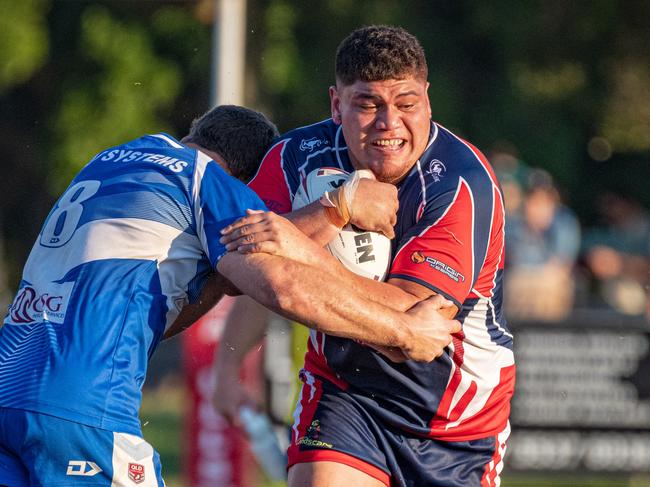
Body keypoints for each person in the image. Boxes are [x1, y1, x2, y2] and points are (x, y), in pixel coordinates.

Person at [0, 104, 460, 486]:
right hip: (81, 408)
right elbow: (279, 282)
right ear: (245, 182)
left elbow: (173, 302)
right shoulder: (208, 181)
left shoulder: (114, 159)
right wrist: (401, 329)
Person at [215, 25, 515, 487]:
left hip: (457, 422)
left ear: (428, 100)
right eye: (368, 104)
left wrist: (296, 246)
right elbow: (236, 261)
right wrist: (333, 210)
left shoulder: (459, 182)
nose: (389, 124)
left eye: (407, 104)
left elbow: (408, 317)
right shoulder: (298, 156)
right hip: (346, 393)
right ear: (337, 104)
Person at [505, 168, 581, 321]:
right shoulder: (513, 224)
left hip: (549, 282)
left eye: (544, 201)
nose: (538, 206)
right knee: (516, 282)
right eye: (533, 200)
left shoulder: (565, 222)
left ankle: (550, 338)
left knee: (550, 284)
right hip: (520, 281)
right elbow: (511, 262)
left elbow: (561, 265)